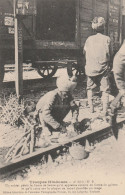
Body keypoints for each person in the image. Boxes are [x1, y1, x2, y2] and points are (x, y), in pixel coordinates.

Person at [83, 17, 112, 115]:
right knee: (105, 90)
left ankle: (91, 108)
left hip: (90, 69)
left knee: (90, 88)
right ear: (103, 28)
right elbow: (110, 54)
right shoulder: (107, 39)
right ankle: (104, 111)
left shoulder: (89, 39)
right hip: (102, 69)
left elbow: (84, 52)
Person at [110, 40, 125, 113]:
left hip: (119, 64)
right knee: (122, 90)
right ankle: (114, 106)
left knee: (122, 90)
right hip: (120, 65)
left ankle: (114, 106)